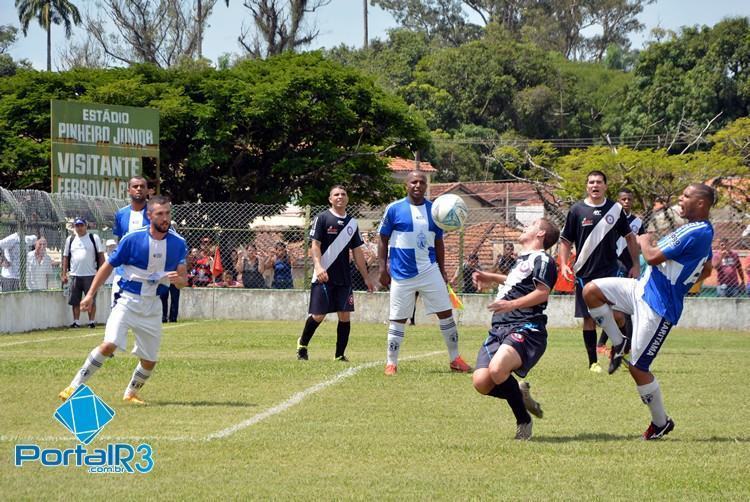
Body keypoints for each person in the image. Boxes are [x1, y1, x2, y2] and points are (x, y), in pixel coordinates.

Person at [583, 183, 715, 440]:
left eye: (687, 195)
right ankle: (619, 342)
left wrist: (644, 238)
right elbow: (708, 267)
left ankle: (661, 422)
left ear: (701, 203)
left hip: (658, 306)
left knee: (638, 368)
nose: (681, 198)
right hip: (641, 289)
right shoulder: (701, 231)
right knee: (591, 291)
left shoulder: (697, 230)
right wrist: (687, 280)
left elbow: (652, 256)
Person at [58, 196, 188, 405]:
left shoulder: (178, 243)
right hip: (127, 299)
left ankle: (131, 393)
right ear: (149, 216)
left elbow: (183, 280)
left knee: (149, 360)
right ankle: (74, 385)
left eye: (167, 213)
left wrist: (178, 280)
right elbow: (108, 265)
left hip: (153, 304)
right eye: (160, 214)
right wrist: (90, 294)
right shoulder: (132, 239)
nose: (165, 218)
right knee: (110, 343)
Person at [471, 218, 560, 440]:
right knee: (481, 383)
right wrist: (489, 277)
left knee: (498, 369)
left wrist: (510, 304)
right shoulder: (523, 260)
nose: (525, 226)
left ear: (540, 234)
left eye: (531, 224)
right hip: (499, 326)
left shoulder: (544, 260)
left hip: (527, 325)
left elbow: (542, 292)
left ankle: (523, 421)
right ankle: (519, 394)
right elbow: (515, 283)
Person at [377, 170, 472, 375]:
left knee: (446, 313)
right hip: (402, 273)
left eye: (421, 182)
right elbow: (383, 239)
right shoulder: (394, 209)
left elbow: (439, 242)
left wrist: (442, 269)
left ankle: (455, 359)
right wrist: (382, 268)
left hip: (430, 271)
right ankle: (391, 363)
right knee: (398, 318)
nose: (418, 185)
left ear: (426, 185)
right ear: (406, 185)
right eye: (414, 182)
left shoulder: (436, 210)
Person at [558, 171, 640, 374]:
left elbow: (630, 237)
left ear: (605, 186)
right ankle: (593, 362)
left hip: (610, 272)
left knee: (618, 315)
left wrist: (636, 264)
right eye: (591, 182)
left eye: (599, 182)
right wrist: (563, 264)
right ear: (587, 186)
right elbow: (565, 241)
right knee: (588, 319)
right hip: (584, 273)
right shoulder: (577, 210)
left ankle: (618, 350)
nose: (595, 185)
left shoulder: (615, 209)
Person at [296, 185, 373, 362]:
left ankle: (339, 355)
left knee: (345, 316)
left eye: (343, 194)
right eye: (336, 194)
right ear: (330, 199)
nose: (340, 197)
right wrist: (318, 266)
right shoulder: (322, 218)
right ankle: (302, 344)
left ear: (347, 199)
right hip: (324, 275)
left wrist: (366, 277)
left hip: (343, 277)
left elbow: (358, 252)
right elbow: (315, 245)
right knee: (318, 316)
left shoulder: (352, 223)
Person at [597, 187, 646, 353]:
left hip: (626, 267)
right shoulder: (610, 218)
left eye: (629, 199)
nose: (626, 202)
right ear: (618, 200)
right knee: (612, 306)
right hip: (609, 265)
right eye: (623, 199)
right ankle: (608, 343)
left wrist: (635, 265)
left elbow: (640, 244)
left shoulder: (637, 223)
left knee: (622, 307)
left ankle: (623, 344)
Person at [61, 218, 105, 328]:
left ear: (86, 226)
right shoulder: (70, 239)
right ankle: (76, 321)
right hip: (75, 274)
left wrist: (102, 272)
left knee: (91, 299)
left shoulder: (93, 238)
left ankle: (91, 322)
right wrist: (64, 273)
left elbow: (100, 255)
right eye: (77, 226)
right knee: (75, 300)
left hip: (90, 274)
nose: (79, 228)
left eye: (81, 225)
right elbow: (65, 257)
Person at [112, 176, 150, 300]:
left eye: (142, 186)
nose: (139, 189)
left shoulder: (155, 213)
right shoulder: (121, 214)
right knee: (117, 311)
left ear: (147, 190)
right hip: (123, 272)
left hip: (147, 273)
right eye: (135, 186)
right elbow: (120, 241)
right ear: (129, 190)